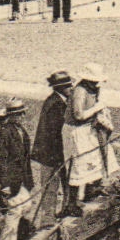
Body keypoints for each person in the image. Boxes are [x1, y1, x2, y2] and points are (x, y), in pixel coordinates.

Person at [64, 63, 119, 205]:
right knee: (79, 164)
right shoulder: (80, 91)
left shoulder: (93, 89)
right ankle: (72, 203)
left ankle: (91, 191)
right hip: (77, 131)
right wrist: (96, 108)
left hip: (88, 129)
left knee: (95, 159)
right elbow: (79, 115)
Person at [0, 100, 35, 240]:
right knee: (14, 209)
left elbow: (25, 157)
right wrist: (4, 185)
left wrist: (28, 178)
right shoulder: (4, 133)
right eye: (18, 114)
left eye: (22, 113)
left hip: (21, 178)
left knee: (26, 205)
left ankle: (17, 235)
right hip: (10, 179)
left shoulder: (20, 130)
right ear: (11, 115)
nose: (22, 116)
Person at [33, 71, 78, 221]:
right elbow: (55, 134)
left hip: (52, 154)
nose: (71, 89)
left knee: (56, 187)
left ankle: (60, 212)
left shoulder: (54, 101)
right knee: (50, 189)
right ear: (60, 88)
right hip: (52, 155)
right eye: (68, 86)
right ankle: (48, 220)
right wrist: (62, 155)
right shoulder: (57, 104)